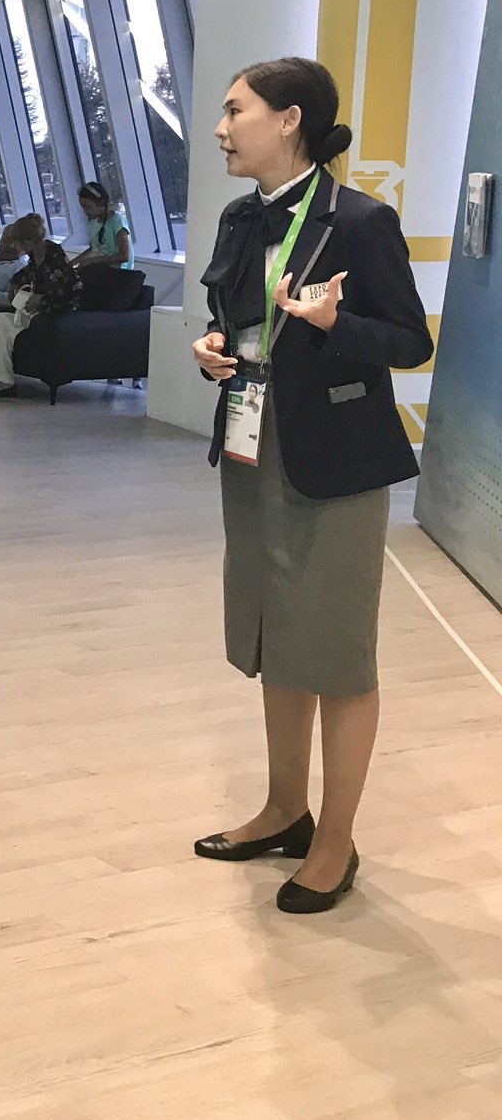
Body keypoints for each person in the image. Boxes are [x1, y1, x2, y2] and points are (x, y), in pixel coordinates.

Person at [188, 57, 431, 914]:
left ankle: (335, 840)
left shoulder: (359, 221)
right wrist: (213, 349)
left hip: (336, 464)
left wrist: (336, 324)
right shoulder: (238, 217)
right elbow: (233, 318)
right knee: (276, 635)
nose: (221, 129)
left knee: (337, 652)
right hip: (253, 449)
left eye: (235, 111)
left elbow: (411, 342)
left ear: (290, 119)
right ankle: (285, 810)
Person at [0, 229, 79, 395]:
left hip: (49, 315)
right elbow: (24, 276)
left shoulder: (55, 258)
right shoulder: (35, 258)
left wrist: (42, 298)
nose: (14, 247)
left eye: (18, 243)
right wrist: (15, 285)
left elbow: (69, 291)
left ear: (28, 243)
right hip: (32, 312)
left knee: (2, 322)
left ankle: (3, 383)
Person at [71, 181, 136, 270]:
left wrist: (92, 261)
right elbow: (94, 249)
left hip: (119, 273)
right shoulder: (93, 222)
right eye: (83, 207)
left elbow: (124, 256)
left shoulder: (118, 222)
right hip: (102, 270)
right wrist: (71, 264)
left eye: (88, 207)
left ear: (101, 204)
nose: (85, 211)